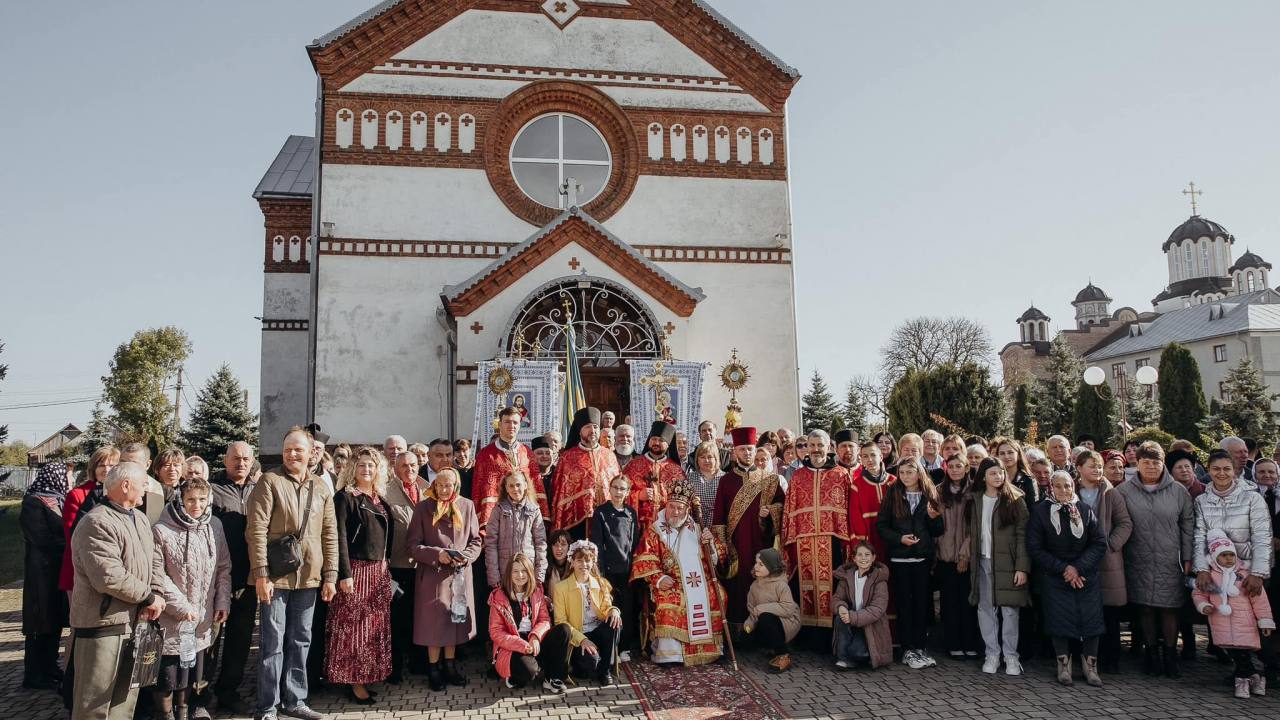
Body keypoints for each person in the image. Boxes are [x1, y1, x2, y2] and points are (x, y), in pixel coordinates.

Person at [246, 427, 338, 720]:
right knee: (272, 643)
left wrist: (331, 575)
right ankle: (267, 706)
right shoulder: (269, 482)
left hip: (309, 577)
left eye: (298, 449)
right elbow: (256, 530)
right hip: (275, 577)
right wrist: (261, 574)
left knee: (301, 640)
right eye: (288, 450)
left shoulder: (321, 488)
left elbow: (330, 533)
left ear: (312, 452)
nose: (292, 454)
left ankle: (295, 700)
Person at [69, 461, 166, 720]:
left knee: (124, 703)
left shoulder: (141, 519)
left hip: (135, 622)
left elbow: (154, 560)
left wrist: (156, 591)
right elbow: (107, 575)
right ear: (125, 485)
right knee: (95, 704)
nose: (146, 491)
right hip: (104, 625)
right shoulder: (96, 522)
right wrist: (147, 596)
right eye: (143, 484)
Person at [152, 477, 232, 720]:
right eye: (190, 500)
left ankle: (185, 712)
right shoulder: (161, 530)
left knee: (190, 671)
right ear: (181, 500)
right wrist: (182, 607)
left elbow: (223, 567)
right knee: (169, 674)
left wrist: (222, 602)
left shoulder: (214, 526)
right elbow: (158, 574)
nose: (196, 505)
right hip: (172, 616)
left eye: (201, 499)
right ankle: (166, 715)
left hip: (203, 615)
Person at [1116, 440, 1193, 678]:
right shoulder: (1123, 491)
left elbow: (1188, 525)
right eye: (1145, 462)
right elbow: (1119, 523)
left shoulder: (1179, 491)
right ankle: (1150, 654)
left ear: (1163, 464)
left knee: (1170, 609)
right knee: (1145, 608)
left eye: (1156, 462)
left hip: (1170, 559)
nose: (1151, 467)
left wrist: (1188, 556)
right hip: (1137, 558)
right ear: (1136, 463)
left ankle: (1170, 655)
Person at [325, 447, 393, 705]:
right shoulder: (345, 497)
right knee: (355, 629)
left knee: (373, 628)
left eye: (371, 465)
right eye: (362, 465)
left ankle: (366, 676)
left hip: (378, 570)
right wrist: (344, 573)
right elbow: (338, 537)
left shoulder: (378, 498)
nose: (367, 469)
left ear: (378, 470)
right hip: (356, 570)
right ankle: (353, 680)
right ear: (354, 468)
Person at [632, 480, 727, 666]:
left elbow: (718, 558)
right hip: (671, 582)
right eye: (672, 507)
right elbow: (644, 558)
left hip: (700, 581)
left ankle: (711, 650)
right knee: (671, 600)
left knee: (718, 595)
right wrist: (658, 579)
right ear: (665, 506)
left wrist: (712, 546)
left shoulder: (697, 528)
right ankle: (671, 655)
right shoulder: (655, 530)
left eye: (680, 508)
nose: (675, 512)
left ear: (687, 510)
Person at [1026, 471, 1107, 687]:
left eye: (1068, 486)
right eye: (1059, 486)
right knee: (1059, 620)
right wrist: (1064, 569)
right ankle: (1063, 665)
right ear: (1051, 488)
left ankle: (1091, 666)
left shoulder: (1084, 510)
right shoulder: (1041, 511)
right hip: (1055, 575)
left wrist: (1078, 568)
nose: (1064, 490)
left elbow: (1099, 542)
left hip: (1084, 575)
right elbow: (1035, 547)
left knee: (1091, 620)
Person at [407, 467, 482, 692]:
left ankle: (450, 667)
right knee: (433, 624)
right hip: (433, 576)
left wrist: (466, 557)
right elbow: (412, 545)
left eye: (447, 485)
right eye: (439, 485)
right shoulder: (422, 508)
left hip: (459, 575)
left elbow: (476, 540)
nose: (442, 489)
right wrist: (435, 554)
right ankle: (434, 670)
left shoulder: (467, 505)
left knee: (453, 622)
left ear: (456, 486)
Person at [711, 429, 783, 627]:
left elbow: (782, 506)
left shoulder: (769, 479)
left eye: (750, 449)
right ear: (735, 452)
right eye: (742, 449)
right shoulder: (725, 480)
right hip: (736, 546)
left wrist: (770, 511)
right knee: (737, 586)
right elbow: (718, 517)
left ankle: (764, 630)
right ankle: (738, 631)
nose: (747, 453)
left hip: (762, 543)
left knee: (763, 584)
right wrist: (723, 546)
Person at [877, 457, 944, 669]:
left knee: (922, 604)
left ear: (919, 473)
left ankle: (920, 648)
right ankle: (907, 649)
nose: (906, 476)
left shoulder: (929, 494)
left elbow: (938, 531)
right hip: (900, 558)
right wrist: (899, 539)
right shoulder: (893, 493)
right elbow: (882, 526)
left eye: (910, 472)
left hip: (922, 558)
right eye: (902, 472)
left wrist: (934, 518)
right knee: (905, 604)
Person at [207, 442, 259, 714]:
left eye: (246, 459)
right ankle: (200, 696)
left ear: (252, 461)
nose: (241, 463)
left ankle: (228, 692)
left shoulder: (259, 490)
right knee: (210, 641)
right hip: (214, 580)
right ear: (226, 460)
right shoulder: (212, 490)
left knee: (239, 640)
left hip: (247, 579)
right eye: (236, 458)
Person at [783, 429, 851, 631]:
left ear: (828, 447)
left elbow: (849, 507)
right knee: (806, 588)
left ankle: (832, 634)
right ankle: (809, 636)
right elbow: (789, 509)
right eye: (811, 445)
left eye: (820, 445)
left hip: (833, 540)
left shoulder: (841, 474)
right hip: (803, 541)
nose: (815, 449)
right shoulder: (798, 476)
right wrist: (789, 536)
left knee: (833, 585)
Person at [1193, 530, 1274, 699]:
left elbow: (1259, 599)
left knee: (1243, 652)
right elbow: (1199, 594)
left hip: (1244, 624)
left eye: (1232, 554)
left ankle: (1242, 682)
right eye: (1224, 555)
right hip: (1221, 623)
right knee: (1235, 653)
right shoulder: (1212, 577)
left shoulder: (1244, 575)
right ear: (1215, 557)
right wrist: (1204, 605)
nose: (1229, 558)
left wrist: (1265, 620)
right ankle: (1256, 678)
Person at [968, 458, 1030, 676]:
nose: (998, 477)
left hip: (1008, 563)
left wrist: (1022, 567)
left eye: (1001, 473)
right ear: (983, 476)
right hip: (982, 561)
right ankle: (992, 653)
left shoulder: (1015, 500)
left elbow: (1023, 536)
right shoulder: (974, 499)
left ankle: (1011, 656)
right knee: (985, 609)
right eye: (993, 473)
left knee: (1010, 610)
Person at [1074, 449, 1132, 675]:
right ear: (1079, 468)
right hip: (1079, 558)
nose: (1097, 470)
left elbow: (1125, 523)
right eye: (1092, 466)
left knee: (1110, 612)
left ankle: (1111, 659)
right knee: (1084, 611)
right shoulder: (1072, 491)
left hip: (1107, 560)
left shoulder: (1110, 493)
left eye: (1099, 466)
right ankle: (1087, 657)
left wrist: (1110, 545)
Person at [21, 461, 72, 690]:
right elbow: (40, 537)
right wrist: (69, 546)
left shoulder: (59, 499)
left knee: (54, 620)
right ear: (56, 476)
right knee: (40, 622)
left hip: (56, 570)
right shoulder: (34, 501)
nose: (70, 479)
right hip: (41, 571)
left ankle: (50, 667)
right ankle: (35, 674)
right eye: (68, 475)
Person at [1194, 449, 1273, 595]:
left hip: (1248, 571)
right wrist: (1202, 569)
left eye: (1226, 469)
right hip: (1217, 572)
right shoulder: (1201, 501)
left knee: (1252, 615)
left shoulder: (1253, 498)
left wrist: (1258, 572)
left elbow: (1262, 536)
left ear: (1234, 471)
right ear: (1209, 470)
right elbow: (1200, 538)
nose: (1221, 473)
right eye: (1216, 469)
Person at [488, 553, 565, 693]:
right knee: (528, 672)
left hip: (534, 638)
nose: (520, 575)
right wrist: (522, 645)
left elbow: (545, 620)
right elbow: (496, 632)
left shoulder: (536, 592)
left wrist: (535, 636)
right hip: (513, 644)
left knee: (563, 631)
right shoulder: (499, 596)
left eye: (524, 571)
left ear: (529, 572)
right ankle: (514, 677)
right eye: (515, 571)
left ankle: (552, 678)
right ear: (509, 574)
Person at [552, 541, 623, 683]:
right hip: (578, 636)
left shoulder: (601, 583)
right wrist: (582, 639)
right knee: (590, 665)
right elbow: (560, 621)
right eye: (579, 560)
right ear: (572, 562)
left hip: (597, 630)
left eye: (587, 561)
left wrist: (614, 611)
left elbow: (606, 607)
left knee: (615, 622)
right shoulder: (561, 588)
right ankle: (587, 662)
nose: (584, 565)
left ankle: (605, 671)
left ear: (593, 563)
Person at [386, 450, 428, 682]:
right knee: (398, 619)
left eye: (413, 465)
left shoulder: (427, 488)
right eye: (404, 466)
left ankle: (418, 662)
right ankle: (395, 668)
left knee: (420, 616)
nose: (409, 470)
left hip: (423, 565)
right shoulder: (385, 491)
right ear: (395, 468)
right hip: (398, 565)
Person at [474, 407, 548, 528]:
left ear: (519, 425)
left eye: (515, 422)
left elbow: (536, 484)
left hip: (525, 516)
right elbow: (479, 487)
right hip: (498, 517)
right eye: (507, 421)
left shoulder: (527, 452)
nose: (511, 426)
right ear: (500, 424)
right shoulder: (486, 454)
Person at [551, 407, 620, 539]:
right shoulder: (568, 458)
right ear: (580, 430)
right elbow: (560, 491)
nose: (592, 431)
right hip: (578, 521)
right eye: (588, 427)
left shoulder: (609, 455)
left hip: (608, 517)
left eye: (595, 427)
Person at [591, 474, 639, 660]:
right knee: (609, 609)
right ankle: (611, 647)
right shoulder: (601, 512)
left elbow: (634, 542)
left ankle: (624, 647)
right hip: (608, 571)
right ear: (609, 489)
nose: (618, 492)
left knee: (626, 609)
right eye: (615, 488)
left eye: (622, 489)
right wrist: (600, 573)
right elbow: (597, 544)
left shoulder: (631, 513)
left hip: (626, 571)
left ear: (627, 492)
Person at [60, 446, 120, 593]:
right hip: (80, 564)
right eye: (101, 465)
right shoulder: (78, 494)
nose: (106, 469)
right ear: (93, 468)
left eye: (111, 465)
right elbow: (71, 533)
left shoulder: (124, 493)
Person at [936, 452, 978, 659]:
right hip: (944, 556)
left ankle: (969, 642)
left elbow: (974, 528)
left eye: (959, 466)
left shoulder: (974, 493)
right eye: (951, 466)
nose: (955, 470)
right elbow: (934, 525)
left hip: (966, 556)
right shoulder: (938, 492)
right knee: (949, 602)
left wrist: (965, 555)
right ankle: (952, 643)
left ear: (966, 467)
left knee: (968, 601)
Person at [831, 541, 892, 670]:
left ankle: (860, 656)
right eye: (859, 555)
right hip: (852, 622)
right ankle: (842, 658)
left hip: (870, 625)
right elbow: (837, 598)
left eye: (867, 554)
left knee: (859, 653)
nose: (863, 558)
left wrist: (852, 617)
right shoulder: (847, 576)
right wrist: (840, 607)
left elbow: (877, 609)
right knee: (839, 618)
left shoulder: (879, 579)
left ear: (873, 557)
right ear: (854, 558)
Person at [485, 470, 548, 589]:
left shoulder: (534, 510)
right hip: (505, 572)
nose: (515, 489)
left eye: (518, 485)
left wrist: (539, 574)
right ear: (506, 488)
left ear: (525, 485)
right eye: (511, 486)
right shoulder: (499, 509)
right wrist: (494, 576)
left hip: (527, 571)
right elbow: (491, 543)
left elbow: (540, 543)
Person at [622, 421, 686, 533]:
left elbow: (684, 500)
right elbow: (619, 492)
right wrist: (638, 496)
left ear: (668, 444)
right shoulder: (633, 465)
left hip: (667, 527)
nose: (656, 442)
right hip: (639, 526)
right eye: (653, 439)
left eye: (661, 440)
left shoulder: (676, 470)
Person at [744, 548, 800, 672]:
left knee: (766, 618)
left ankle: (783, 655)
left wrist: (762, 609)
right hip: (766, 621)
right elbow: (753, 609)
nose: (756, 567)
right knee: (745, 638)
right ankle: (771, 647)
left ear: (771, 567)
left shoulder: (781, 585)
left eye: (761, 564)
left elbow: (788, 608)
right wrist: (749, 624)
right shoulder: (754, 586)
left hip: (786, 621)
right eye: (756, 563)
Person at [848, 437, 895, 558]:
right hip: (870, 536)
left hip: (893, 534)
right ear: (861, 460)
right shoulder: (857, 485)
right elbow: (855, 516)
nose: (869, 459)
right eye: (865, 456)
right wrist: (862, 541)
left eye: (873, 455)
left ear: (881, 456)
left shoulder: (893, 481)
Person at [991, 436, 1037, 509]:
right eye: (1002, 453)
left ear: (1018, 455)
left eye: (1010, 452)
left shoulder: (1028, 480)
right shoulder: (993, 478)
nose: (1006, 456)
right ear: (998, 456)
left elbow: (1032, 508)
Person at [687, 440, 724, 527]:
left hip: (719, 527)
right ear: (697, 459)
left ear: (716, 459)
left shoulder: (725, 478)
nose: (706, 460)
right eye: (702, 457)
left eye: (710, 457)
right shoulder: (689, 478)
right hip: (695, 527)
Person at [544, 530, 572, 602]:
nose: (559, 548)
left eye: (563, 544)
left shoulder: (573, 567)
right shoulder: (545, 567)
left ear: (569, 546)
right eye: (555, 545)